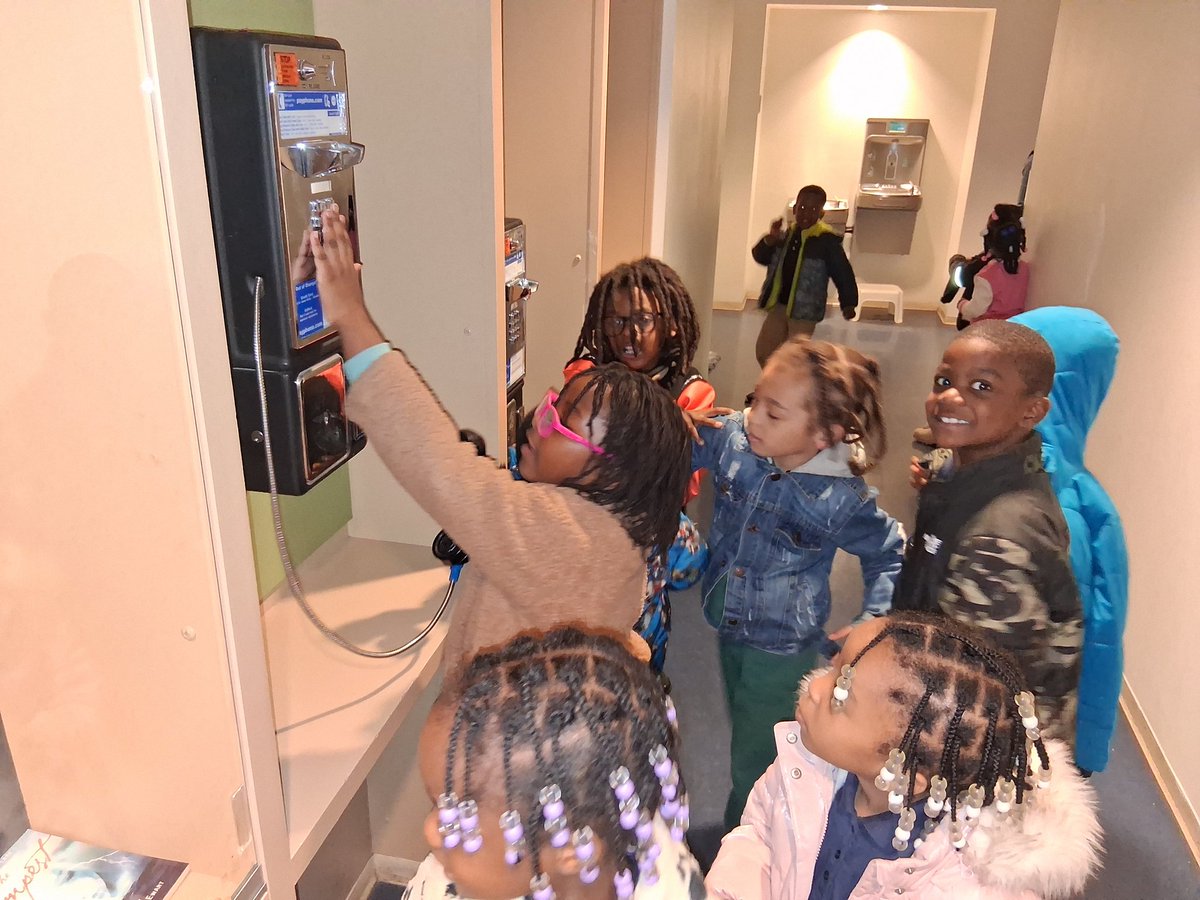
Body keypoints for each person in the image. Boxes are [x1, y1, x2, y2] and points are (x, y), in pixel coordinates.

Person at [309, 207, 691, 670]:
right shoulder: (611, 531)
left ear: (615, 471)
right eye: (553, 403)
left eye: (563, 420)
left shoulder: (560, 537)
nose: (539, 421)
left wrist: (349, 314)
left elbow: (439, 464)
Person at [706, 612, 1103, 899]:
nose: (815, 688)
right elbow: (760, 831)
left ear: (904, 773)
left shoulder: (962, 886)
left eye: (841, 696)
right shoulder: (806, 765)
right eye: (835, 666)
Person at [689, 338, 904, 829]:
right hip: (727, 619)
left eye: (774, 412)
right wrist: (675, 427)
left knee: (758, 756)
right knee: (743, 722)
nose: (753, 418)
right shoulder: (735, 441)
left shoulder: (839, 497)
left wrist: (871, 619)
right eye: (754, 400)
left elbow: (888, 551)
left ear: (825, 433)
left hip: (781, 644)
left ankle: (746, 842)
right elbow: (675, 451)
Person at [407, 626, 707, 899]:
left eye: (454, 818)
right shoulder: (439, 887)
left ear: (574, 850)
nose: (430, 831)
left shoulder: (672, 887)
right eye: (437, 805)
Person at [894, 320, 1083, 745]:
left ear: (1031, 412)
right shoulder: (977, 470)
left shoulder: (996, 539)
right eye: (944, 380)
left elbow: (976, 695)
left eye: (982, 387)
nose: (948, 396)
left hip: (971, 751)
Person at [565, 258, 714, 677]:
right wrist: (662, 424)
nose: (626, 335)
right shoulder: (584, 375)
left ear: (669, 324)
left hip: (646, 546)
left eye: (642, 320)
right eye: (614, 321)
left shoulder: (691, 392)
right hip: (581, 542)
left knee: (642, 657)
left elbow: (673, 479)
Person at [1011, 307, 1128, 775]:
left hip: (1012, 724)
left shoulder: (1061, 511)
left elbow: (1093, 638)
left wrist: (1084, 754)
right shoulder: (1089, 505)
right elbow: (1106, 637)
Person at [752, 185, 858, 366]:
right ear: (794, 209)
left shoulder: (826, 242)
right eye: (802, 208)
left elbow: (843, 272)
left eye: (813, 209)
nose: (806, 213)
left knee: (795, 358)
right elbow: (761, 257)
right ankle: (772, 385)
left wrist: (848, 303)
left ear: (821, 213)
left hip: (805, 312)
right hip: (778, 306)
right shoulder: (783, 237)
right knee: (765, 351)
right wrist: (770, 239)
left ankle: (789, 391)